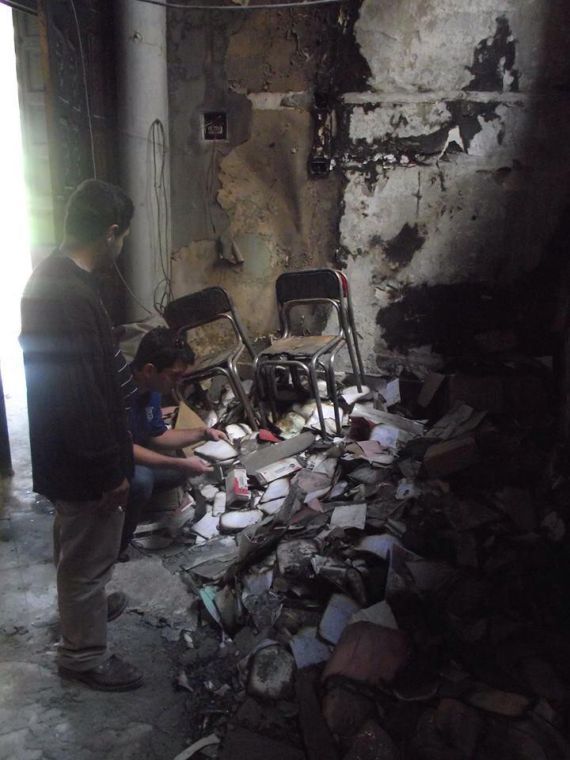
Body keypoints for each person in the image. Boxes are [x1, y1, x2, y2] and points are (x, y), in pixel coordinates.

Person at [20, 179, 142, 691]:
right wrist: (107, 469)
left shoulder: (60, 278)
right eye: (124, 236)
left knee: (79, 551)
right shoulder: (66, 293)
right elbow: (77, 398)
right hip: (82, 461)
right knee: (85, 556)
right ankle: (83, 655)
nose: (123, 245)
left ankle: (84, 611)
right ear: (112, 233)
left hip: (71, 455)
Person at [117, 326, 228, 558]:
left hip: (132, 455)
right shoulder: (120, 391)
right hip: (110, 463)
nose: (177, 383)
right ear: (149, 370)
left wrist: (203, 433)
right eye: (174, 375)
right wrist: (180, 463)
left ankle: (144, 507)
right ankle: (118, 545)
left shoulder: (152, 390)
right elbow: (124, 449)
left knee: (182, 472)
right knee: (143, 480)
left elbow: (157, 436)